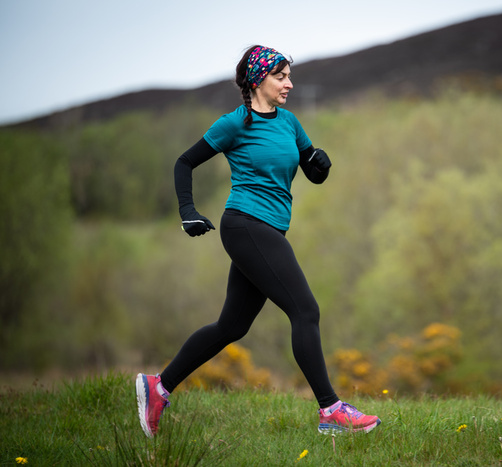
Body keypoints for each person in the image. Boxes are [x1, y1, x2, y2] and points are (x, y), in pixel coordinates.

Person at [135, 45, 380, 438]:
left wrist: (321, 165)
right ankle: (331, 410)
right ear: (257, 80)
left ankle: (158, 387)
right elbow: (185, 162)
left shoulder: (289, 123)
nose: (289, 83)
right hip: (246, 225)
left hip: (269, 229)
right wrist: (188, 212)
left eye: (289, 76)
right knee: (305, 310)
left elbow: (311, 168)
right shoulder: (235, 124)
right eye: (281, 76)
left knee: (231, 326)